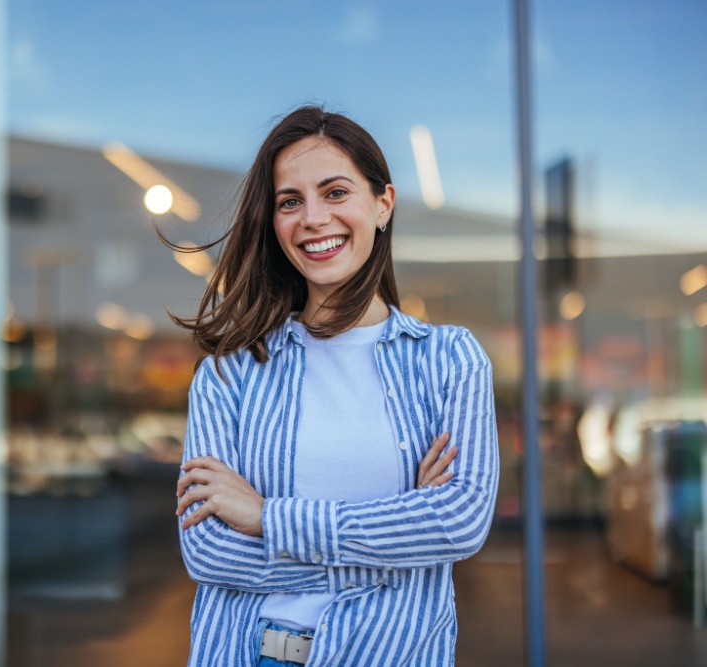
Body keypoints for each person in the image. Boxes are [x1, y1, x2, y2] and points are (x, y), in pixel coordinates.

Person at [173, 106, 500, 666]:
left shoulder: (449, 360)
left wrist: (267, 518)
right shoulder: (230, 374)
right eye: (290, 201)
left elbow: (458, 521)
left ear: (383, 205)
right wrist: (401, 535)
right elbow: (207, 553)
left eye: (335, 192)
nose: (313, 218)